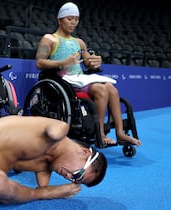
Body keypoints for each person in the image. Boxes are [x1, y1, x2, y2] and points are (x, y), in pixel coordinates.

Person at [35, 1, 141, 147]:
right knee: (102, 90)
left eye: (76, 19)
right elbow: (39, 62)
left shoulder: (79, 42)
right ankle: (101, 134)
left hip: (79, 79)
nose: (73, 22)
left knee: (111, 88)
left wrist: (95, 62)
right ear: (60, 20)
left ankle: (120, 133)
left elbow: (88, 63)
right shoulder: (50, 39)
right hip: (62, 80)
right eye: (69, 18)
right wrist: (64, 62)